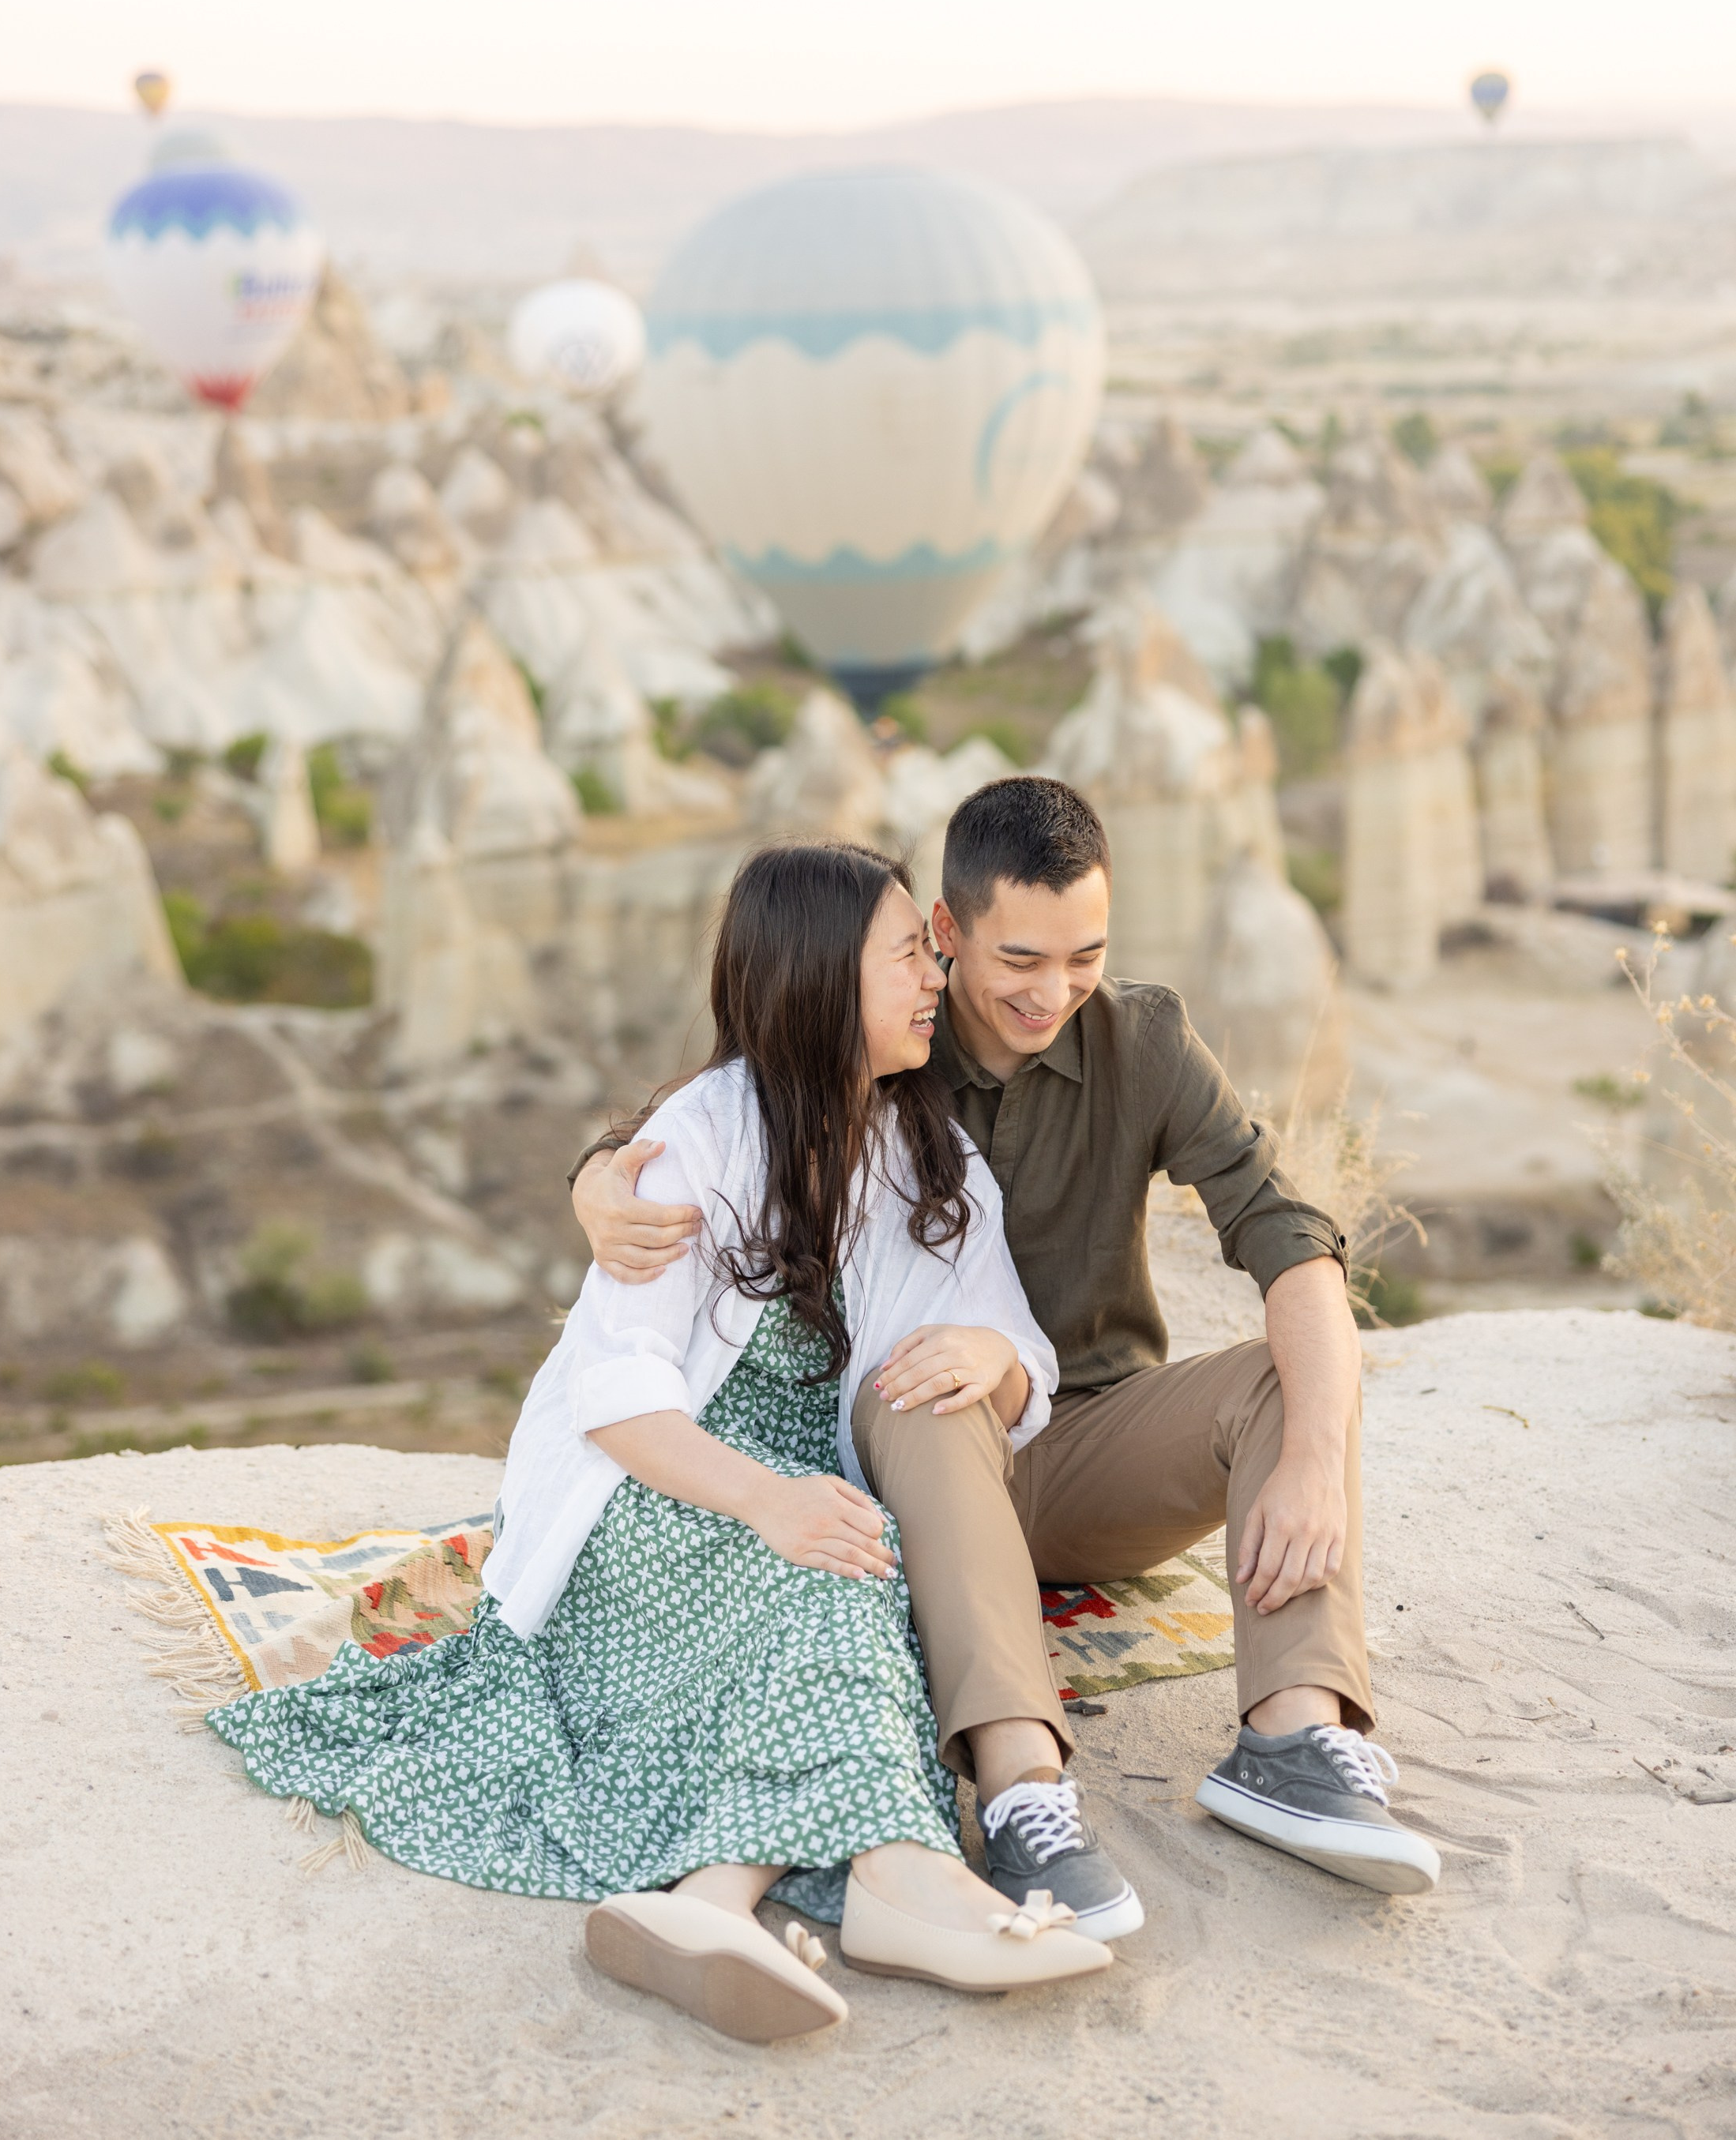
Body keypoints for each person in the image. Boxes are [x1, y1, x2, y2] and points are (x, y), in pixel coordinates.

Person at [208, 839, 1114, 2045]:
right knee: (830, 1575)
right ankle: (899, 1882)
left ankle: (710, 1903)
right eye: (907, 952)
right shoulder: (700, 1139)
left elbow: (1009, 1335)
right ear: (814, 978)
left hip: (789, 1483)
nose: (934, 976)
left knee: (855, 1563)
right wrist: (765, 1503)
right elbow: (620, 1401)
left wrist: (997, 1361)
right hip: (656, 1482)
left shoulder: (915, 1147)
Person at [573, 776, 1441, 1913]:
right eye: (1020, 960)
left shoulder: (1145, 1040)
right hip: (911, 1450)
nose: (1055, 991)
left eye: (1083, 955)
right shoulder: (887, 1034)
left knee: (1294, 1380)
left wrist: (1315, 1461)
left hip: (1084, 1444)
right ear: (943, 934)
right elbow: (725, 1111)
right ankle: (1023, 1794)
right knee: (921, 1379)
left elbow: (1289, 1242)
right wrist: (594, 1178)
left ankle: (1291, 1739)